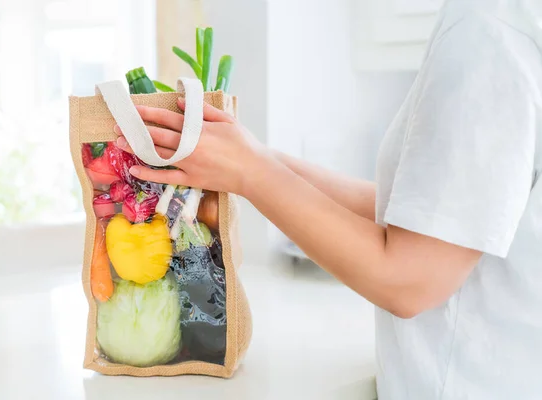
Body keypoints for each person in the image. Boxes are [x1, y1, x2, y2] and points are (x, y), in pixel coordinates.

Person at [114, 0, 542, 398]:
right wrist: (256, 157)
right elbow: (419, 215)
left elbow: (410, 281)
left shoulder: (491, 26)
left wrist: (251, 171)